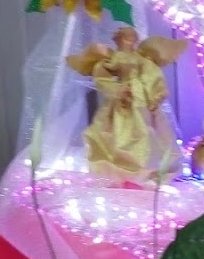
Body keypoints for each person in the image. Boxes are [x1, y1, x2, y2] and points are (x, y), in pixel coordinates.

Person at [67, 27, 186, 182]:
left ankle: (146, 167)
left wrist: (155, 95)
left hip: (139, 94)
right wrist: (116, 89)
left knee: (145, 126)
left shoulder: (140, 58)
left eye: (132, 38)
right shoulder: (114, 57)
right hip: (121, 94)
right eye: (126, 37)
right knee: (117, 127)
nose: (129, 41)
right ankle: (121, 165)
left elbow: (151, 74)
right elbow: (103, 75)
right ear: (119, 39)